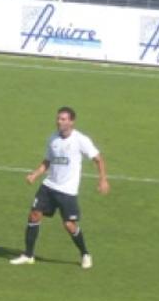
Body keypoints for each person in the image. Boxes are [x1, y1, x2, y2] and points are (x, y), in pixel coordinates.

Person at [9, 106, 109, 269]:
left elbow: (98, 159)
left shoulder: (80, 140)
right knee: (34, 215)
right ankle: (28, 254)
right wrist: (35, 174)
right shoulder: (52, 138)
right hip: (49, 185)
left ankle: (85, 253)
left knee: (69, 225)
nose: (59, 122)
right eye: (58, 119)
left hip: (67, 190)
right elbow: (47, 161)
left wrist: (103, 180)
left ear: (71, 122)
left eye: (63, 119)